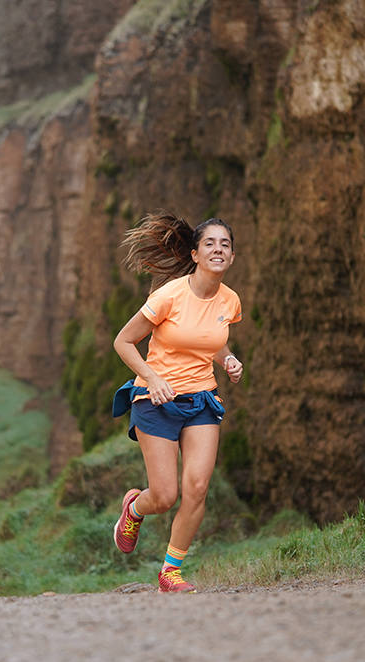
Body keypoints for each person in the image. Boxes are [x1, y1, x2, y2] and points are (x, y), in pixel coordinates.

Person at [111, 212, 243, 593]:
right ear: (196, 254)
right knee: (165, 496)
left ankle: (170, 572)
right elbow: (123, 341)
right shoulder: (168, 296)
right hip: (155, 401)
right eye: (210, 244)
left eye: (225, 245)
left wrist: (228, 360)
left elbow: (213, 341)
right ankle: (135, 508)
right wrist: (152, 378)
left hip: (201, 399)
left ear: (231, 257)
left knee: (198, 487)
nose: (218, 250)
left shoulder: (230, 300)